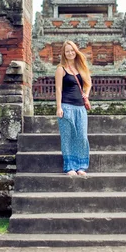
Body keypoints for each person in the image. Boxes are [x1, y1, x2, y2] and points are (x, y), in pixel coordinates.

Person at [55, 40, 91, 177]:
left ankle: (81, 166)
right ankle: (69, 166)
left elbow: (88, 83)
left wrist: (86, 95)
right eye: (67, 51)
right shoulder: (61, 69)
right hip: (66, 106)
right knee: (67, 138)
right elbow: (58, 89)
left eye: (72, 50)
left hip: (80, 108)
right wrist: (59, 107)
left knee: (81, 137)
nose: (70, 53)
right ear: (64, 54)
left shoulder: (81, 67)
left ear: (76, 52)